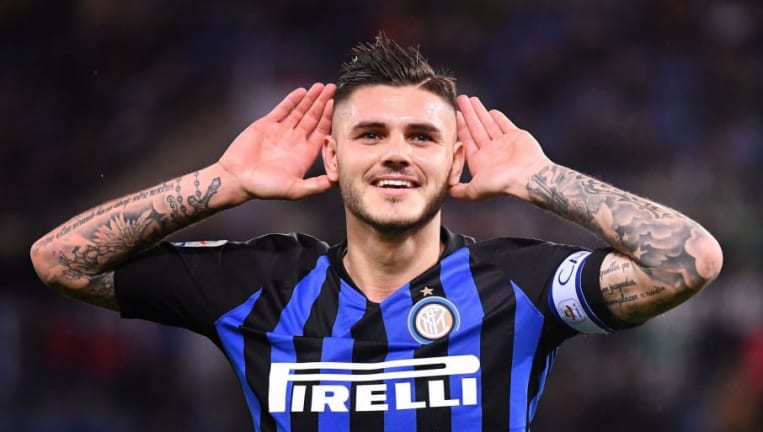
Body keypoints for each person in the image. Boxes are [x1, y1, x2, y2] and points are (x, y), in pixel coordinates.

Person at [30, 34, 723, 431]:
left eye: (422, 136)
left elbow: (685, 263)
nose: (396, 153)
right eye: (370, 134)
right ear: (332, 157)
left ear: (455, 161)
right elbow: (61, 262)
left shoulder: (518, 284)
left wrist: (541, 178)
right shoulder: (259, 284)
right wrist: (223, 182)